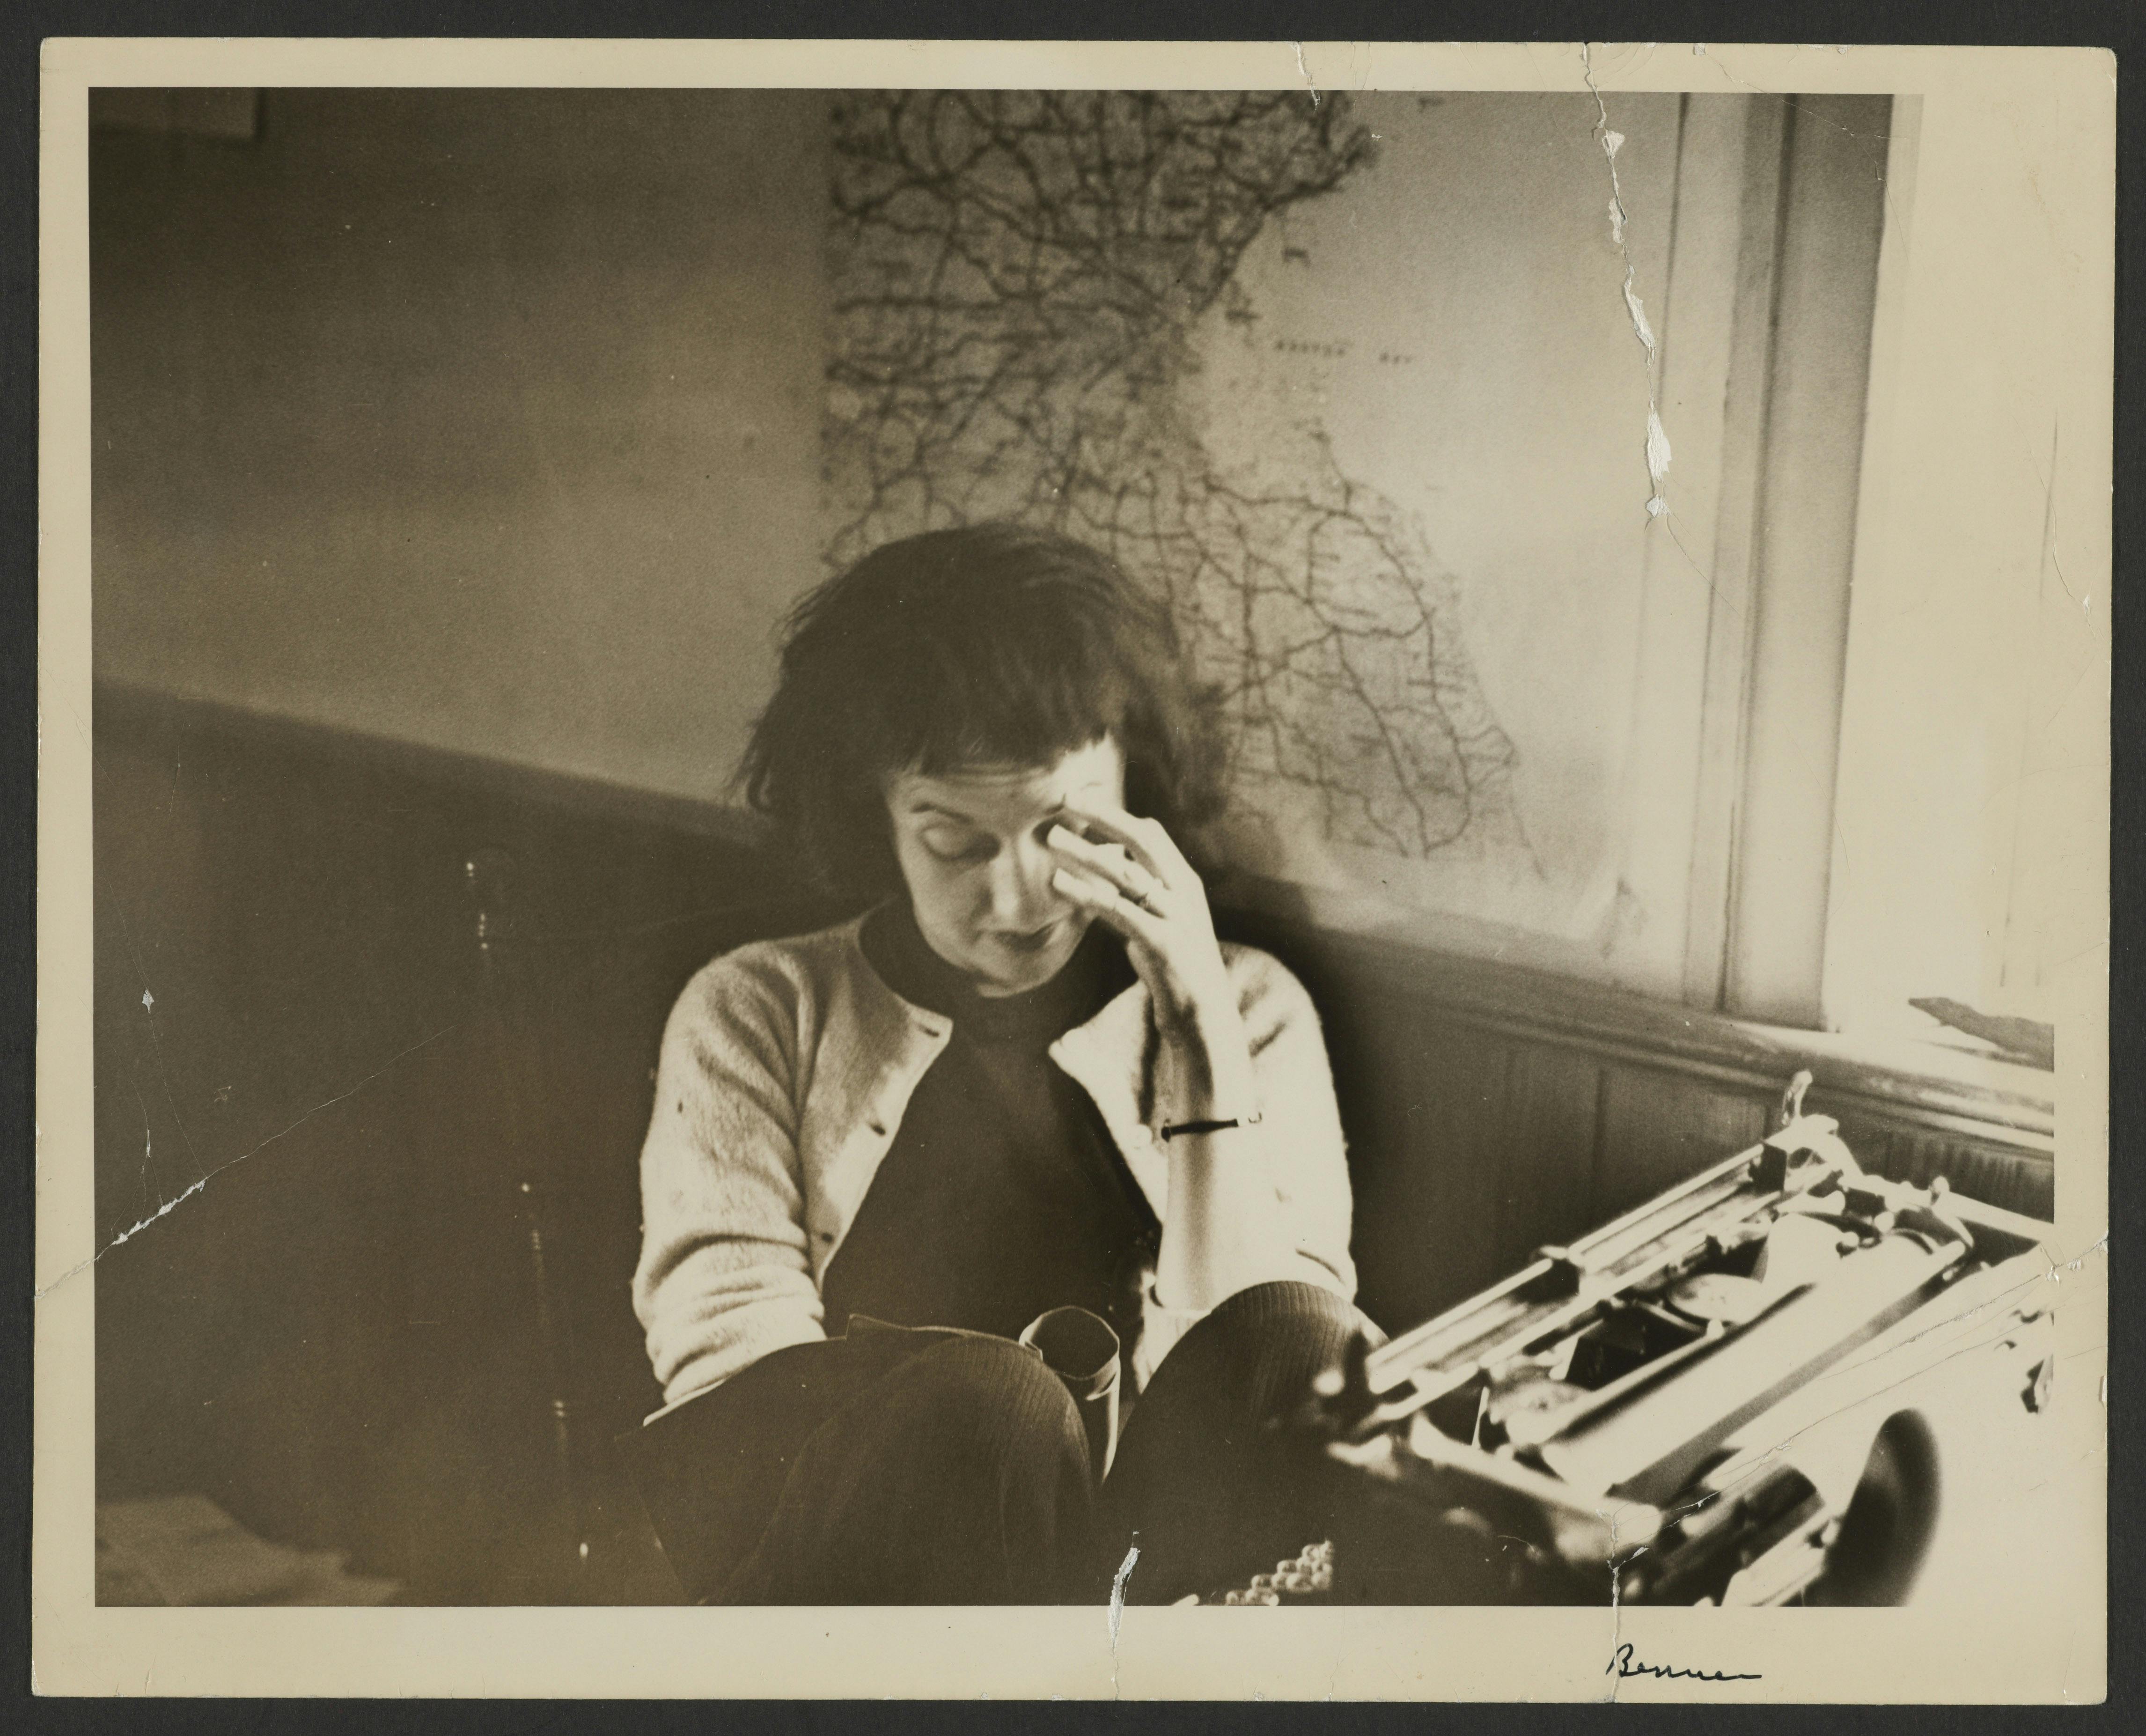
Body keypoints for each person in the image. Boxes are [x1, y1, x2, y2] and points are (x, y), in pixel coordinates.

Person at [623, 522, 1378, 1606]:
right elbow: (735, 1404)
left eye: (1064, 833)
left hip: (1157, 1585)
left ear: (1135, 798)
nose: (1017, 900)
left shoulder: (1252, 1009)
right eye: (954, 843)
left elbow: (1259, 1384)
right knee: (996, 1406)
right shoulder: (756, 1010)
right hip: (857, 1590)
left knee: (1301, 1329)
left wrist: (1202, 1041)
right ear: (873, 818)